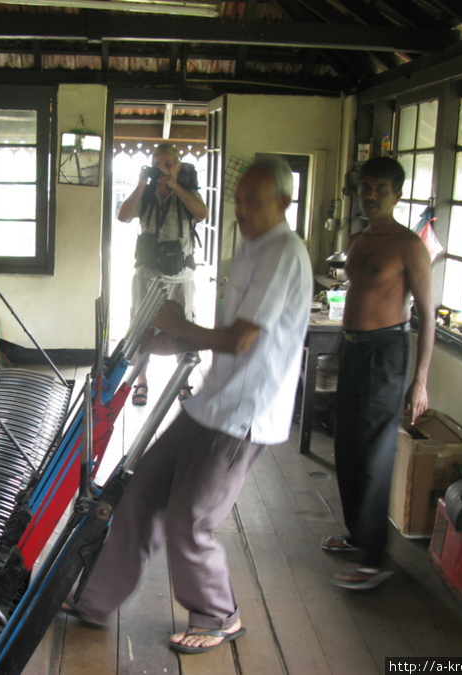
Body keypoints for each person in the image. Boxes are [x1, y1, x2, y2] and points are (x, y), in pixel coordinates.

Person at [64, 157, 313, 653]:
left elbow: (242, 340)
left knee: (189, 519)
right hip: (211, 403)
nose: (241, 209)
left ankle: (219, 615)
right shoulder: (249, 250)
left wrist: (179, 328)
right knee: (142, 492)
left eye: (254, 201)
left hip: (246, 413)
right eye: (239, 199)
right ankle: (95, 599)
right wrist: (169, 343)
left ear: (284, 204)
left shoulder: (284, 253)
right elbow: (225, 334)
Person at [321, 156, 435, 590]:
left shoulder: (409, 245)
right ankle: (357, 535)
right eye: (365, 188)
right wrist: (335, 357)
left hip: (387, 352)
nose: (370, 196)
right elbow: (355, 300)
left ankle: (374, 558)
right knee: (346, 445)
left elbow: (427, 316)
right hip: (352, 349)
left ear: (397, 194)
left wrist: (420, 381)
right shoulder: (357, 239)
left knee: (374, 450)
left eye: (380, 190)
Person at [116, 144, 208, 406]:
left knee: (186, 328)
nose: (162, 169)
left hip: (181, 277)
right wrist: (142, 184)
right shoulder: (145, 194)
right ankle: (141, 381)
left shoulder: (187, 192)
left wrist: (176, 185)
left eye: (168, 164)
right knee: (141, 328)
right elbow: (123, 216)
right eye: (158, 164)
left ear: (178, 166)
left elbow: (202, 213)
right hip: (147, 275)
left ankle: (183, 382)